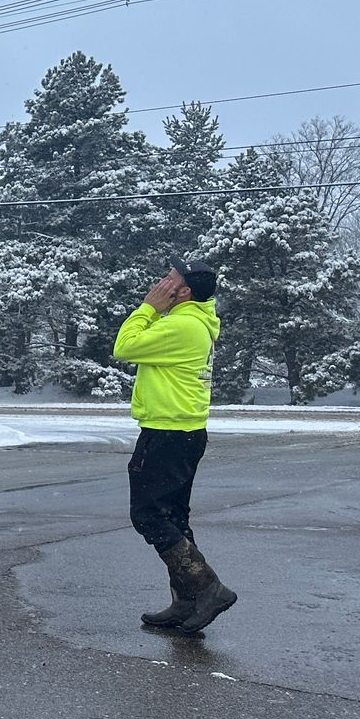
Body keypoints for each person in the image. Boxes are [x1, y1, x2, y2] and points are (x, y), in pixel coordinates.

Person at [112, 259, 236, 635]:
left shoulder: (182, 325)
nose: (161, 282)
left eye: (170, 279)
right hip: (182, 431)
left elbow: (124, 347)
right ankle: (186, 601)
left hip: (168, 432)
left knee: (148, 516)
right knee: (174, 518)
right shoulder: (193, 321)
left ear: (183, 292)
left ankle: (208, 588)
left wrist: (147, 307)